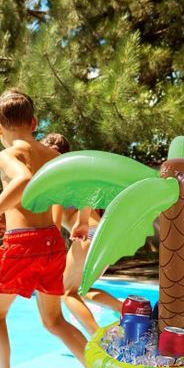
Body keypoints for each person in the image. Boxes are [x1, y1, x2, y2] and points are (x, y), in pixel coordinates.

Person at [0, 90, 88, 368]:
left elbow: (22, 180)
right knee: (54, 321)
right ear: (34, 123)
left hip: (23, 245)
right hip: (52, 243)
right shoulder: (54, 157)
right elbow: (85, 188)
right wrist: (81, 221)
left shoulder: (7, 154)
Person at [42, 133, 123, 335]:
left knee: (66, 292)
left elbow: (53, 226)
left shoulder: (55, 181)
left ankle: (98, 340)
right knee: (81, 290)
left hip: (89, 237)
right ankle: (128, 311)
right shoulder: (74, 178)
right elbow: (92, 192)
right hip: (105, 238)